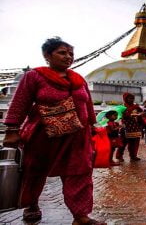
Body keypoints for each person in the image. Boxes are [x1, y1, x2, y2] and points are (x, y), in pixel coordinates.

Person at [2, 37, 106, 224]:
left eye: (71, 54)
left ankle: (80, 215)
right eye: (62, 53)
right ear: (47, 56)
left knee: (80, 173)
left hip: (77, 137)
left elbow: (87, 104)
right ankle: (31, 203)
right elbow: (20, 103)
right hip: (43, 136)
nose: (68, 57)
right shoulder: (34, 76)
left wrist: (92, 125)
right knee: (34, 171)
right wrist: (12, 129)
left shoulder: (78, 79)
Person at [117, 92, 143, 162]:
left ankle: (133, 156)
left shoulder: (136, 106)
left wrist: (139, 114)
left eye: (133, 98)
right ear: (125, 99)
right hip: (126, 127)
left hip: (135, 127)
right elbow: (121, 116)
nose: (131, 100)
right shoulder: (122, 107)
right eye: (130, 98)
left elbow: (142, 112)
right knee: (123, 142)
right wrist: (130, 115)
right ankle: (119, 156)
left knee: (134, 142)